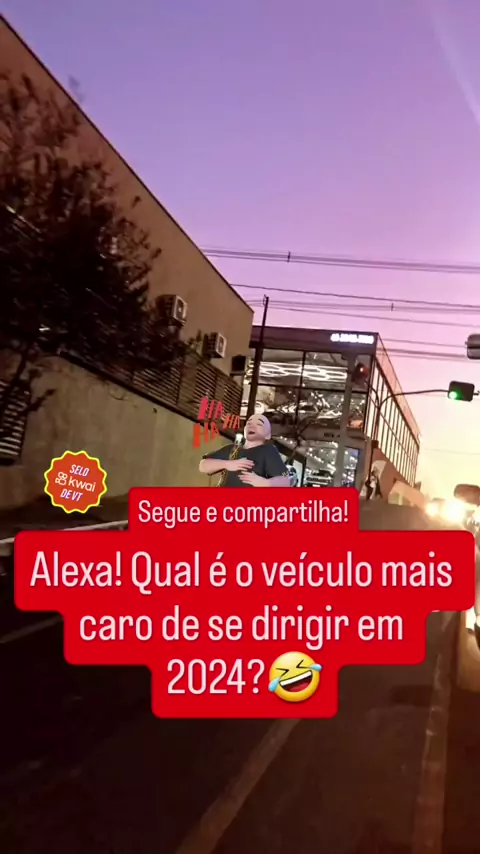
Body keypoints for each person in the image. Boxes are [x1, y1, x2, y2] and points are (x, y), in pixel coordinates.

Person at [198, 414, 291, 487]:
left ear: (268, 435)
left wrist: (264, 483)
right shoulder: (232, 449)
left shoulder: (268, 451)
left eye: (259, 424)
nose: (252, 426)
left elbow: (285, 481)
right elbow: (203, 465)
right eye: (249, 423)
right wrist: (227, 464)